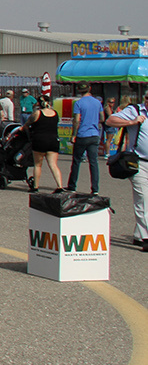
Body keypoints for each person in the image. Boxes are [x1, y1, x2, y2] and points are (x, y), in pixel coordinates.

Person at [105, 101, 148, 251]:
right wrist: (132, 122)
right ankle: (146, 238)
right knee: (142, 198)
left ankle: (138, 234)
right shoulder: (135, 110)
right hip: (139, 162)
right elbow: (110, 120)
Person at [66, 85, 103, 195]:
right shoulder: (97, 102)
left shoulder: (79, 103)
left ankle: (72, 186)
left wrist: (74, 134)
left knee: (77, 161)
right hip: (94, 134)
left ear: (79, 91)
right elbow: (102, 118)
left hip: (82, 134)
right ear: (90, 88)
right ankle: (95, 189)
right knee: (93, 162)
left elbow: (76, 120)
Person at [27, 93, 63, 191]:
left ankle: (35, 187)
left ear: (39, 103)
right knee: (53, 164)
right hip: (53, 140)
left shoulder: (37, 113)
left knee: (38, 164)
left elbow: (28, 123)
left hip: (40, 140)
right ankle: (60, 186)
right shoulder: (55, 113)